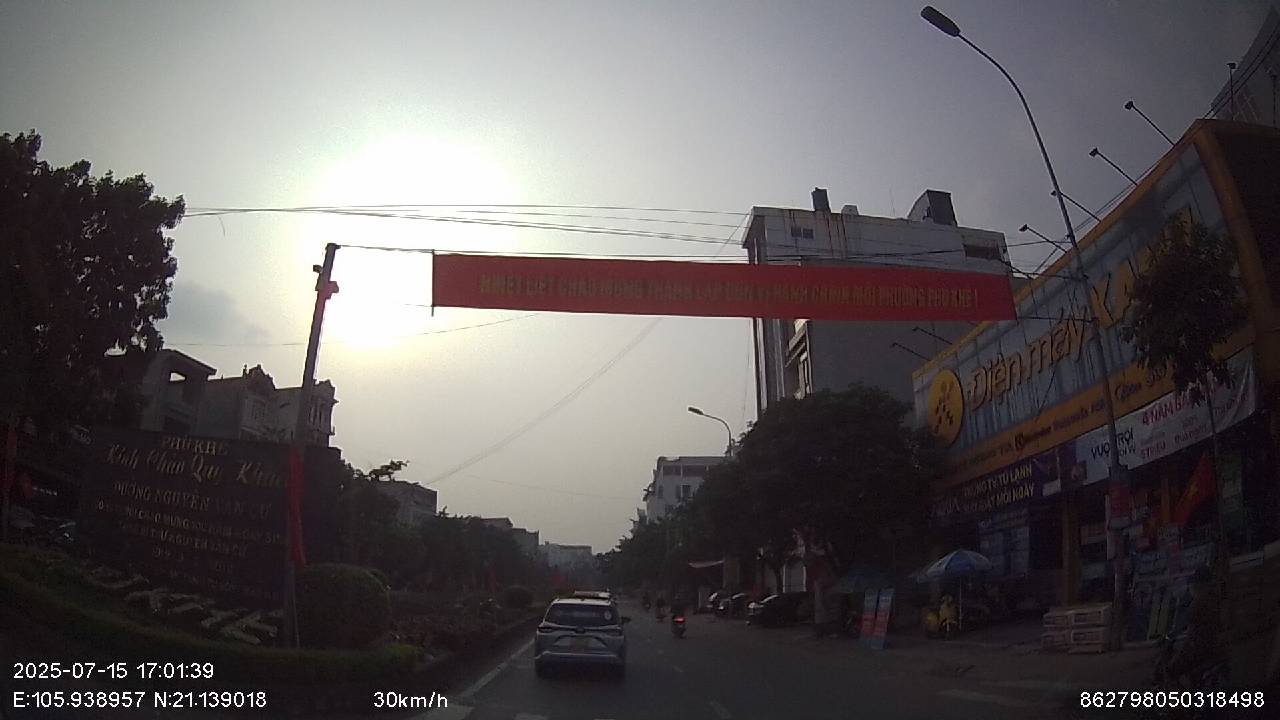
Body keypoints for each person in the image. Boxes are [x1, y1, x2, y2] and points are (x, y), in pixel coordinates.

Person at [1166, 566, 1224, 684]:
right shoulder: (1216, 599)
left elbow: (1187, 629)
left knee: (1170, 671)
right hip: (1214, 646)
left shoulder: (1198, 603)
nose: (1192, 587)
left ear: (1200, 584)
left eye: (1195, 584)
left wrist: (1172, 637)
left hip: (1199, 649)